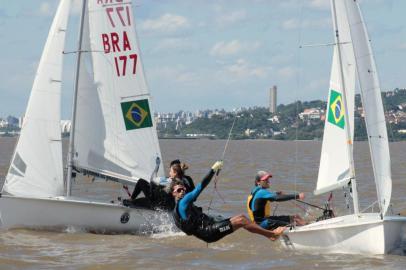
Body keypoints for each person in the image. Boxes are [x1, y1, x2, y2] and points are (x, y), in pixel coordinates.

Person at [170, 161, 285, 243]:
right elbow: (200, 187)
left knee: (241, 218)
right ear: (173, 193)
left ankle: (269, 232)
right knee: (242, 220)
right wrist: (212, 170)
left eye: (183, 189)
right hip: (208, 232)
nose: (182, 191)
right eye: (179, 190)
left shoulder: (180, 206)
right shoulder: (183, 202)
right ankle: (272, 235)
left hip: (209, 229)